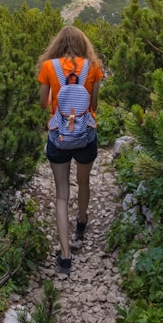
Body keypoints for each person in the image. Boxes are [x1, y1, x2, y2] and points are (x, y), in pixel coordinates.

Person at [37, 25, 104, 275]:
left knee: (61, 194)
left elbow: (45, 103)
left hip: (59, 137)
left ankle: (65, 256)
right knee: (83, 182)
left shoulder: (48, 67)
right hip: (86, 135)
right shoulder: (93, 67)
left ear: (57, 44)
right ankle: (82, 221)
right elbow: (94, 104)